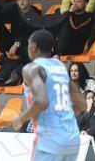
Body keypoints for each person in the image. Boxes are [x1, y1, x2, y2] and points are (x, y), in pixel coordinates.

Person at [10, 30, 86, 161]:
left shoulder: (31, 69)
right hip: (72, 138)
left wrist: (21, 118)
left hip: (50, 140)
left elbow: (41, 102)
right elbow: (81, 105)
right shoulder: (60, 66)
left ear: (33, 47)